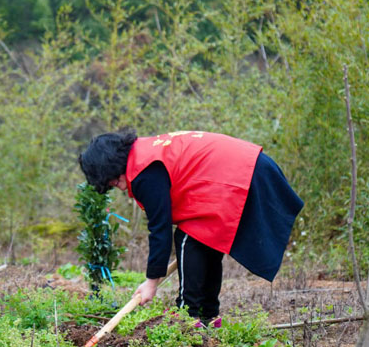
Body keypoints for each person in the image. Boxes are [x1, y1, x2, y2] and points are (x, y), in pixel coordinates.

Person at [79, 130, 303, 327]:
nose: (115, 186)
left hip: (244, 171)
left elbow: (160, 227)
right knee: (204, 237)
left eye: (112, 181)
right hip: (248, 167)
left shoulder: (144, 171)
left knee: (190, 236)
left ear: (112, 165)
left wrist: (151, 282)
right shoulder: (144, 153)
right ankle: (208, 316)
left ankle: (188, 316)